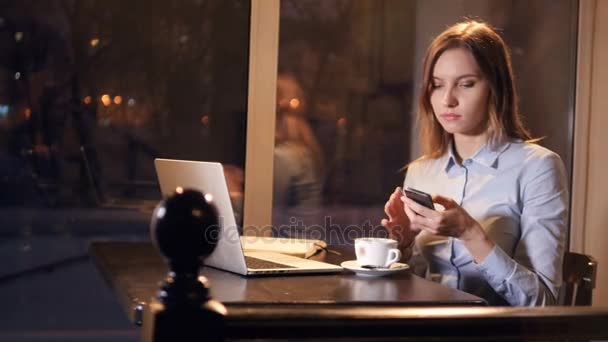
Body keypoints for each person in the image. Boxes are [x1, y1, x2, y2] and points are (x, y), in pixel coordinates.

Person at [381, 20, 568, 306]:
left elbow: (543, 303)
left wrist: (471, 234)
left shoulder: (538, 168)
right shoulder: (421, 171)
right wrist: (405, 247)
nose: (447, 100)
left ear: (496, 87)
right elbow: (416, 283)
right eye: (437, 85)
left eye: (466, 84)